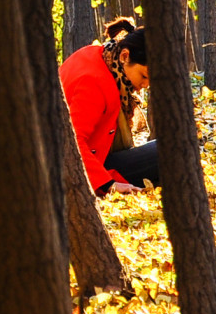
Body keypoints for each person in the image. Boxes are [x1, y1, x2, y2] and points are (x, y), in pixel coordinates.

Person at [60, 18, 158, 194]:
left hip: (92, 161)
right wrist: (110, 185)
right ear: (124, 56)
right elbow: (71, 142)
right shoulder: (93, 81)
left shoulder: (98, 55)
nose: (146, 85)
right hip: (81, 171)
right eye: (144, 76)